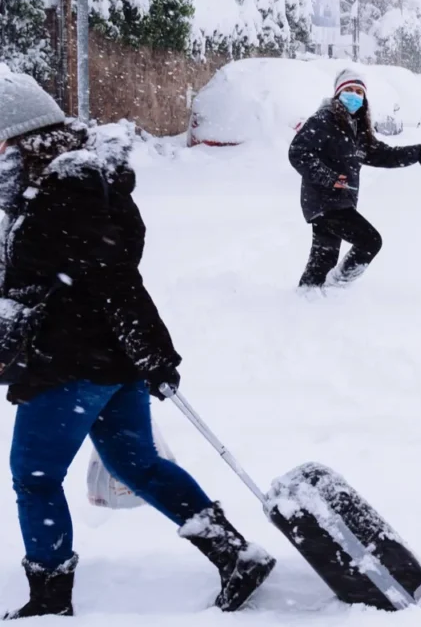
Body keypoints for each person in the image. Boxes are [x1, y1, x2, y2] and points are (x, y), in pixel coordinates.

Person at [0, 73, 276, 618]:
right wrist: (143, 354)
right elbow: (107, 275)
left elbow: (112, 282)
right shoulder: (82, 186)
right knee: (137, 465)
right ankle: (234, 554)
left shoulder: (61, 194)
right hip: (107, 359)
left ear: (21, 136)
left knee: (34, 477)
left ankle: (51, 598)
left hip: (71, 363)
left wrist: (155, 353)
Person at [288, 68, 421, 290]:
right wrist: (329, 178)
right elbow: (298, 152)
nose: (355, 95)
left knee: (323, 261)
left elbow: (380, 153)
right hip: (325, 202)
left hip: (337, 202)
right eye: (349, 90)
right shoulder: (324, 119)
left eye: (359, 91)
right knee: (370, 241)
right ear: (338, 93)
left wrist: (414, 153)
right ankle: (337, 288)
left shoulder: (356, 128)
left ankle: (308, 297)